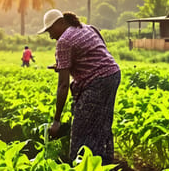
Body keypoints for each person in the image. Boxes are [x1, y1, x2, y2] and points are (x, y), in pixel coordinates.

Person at [39, 9, 121, 161]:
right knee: (102, 123)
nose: (51, 36)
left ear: (61, 23)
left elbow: (63, 85)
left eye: (51, 30)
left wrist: (56, 121)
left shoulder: (64, 41)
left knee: (81, 131)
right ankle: (104, 162)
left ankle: (81, 168)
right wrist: (63, 66)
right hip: (113, 75)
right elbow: (99, 52)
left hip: (97, 82)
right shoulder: (86, 27)